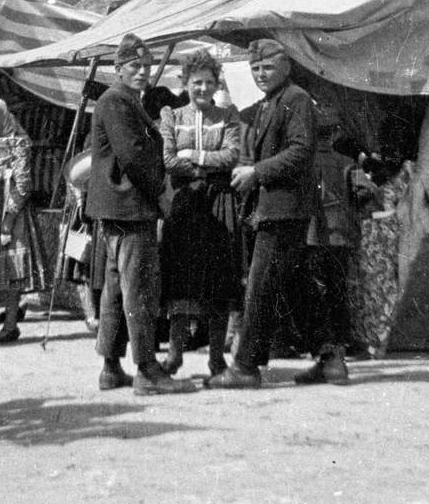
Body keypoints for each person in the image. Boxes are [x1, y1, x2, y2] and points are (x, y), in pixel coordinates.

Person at [211, 38, 319, 389]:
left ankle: (245, 366)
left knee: (259, 285)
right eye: (255, 68)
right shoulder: (268, 103)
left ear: (285, 67)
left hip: (284, 208)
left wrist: (256, 172)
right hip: (272, 207)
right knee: (295, 284)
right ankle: (330, 357)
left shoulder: (295, 99)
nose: (260, 74)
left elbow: (301, 150)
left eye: (267, 67)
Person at [87, 33, 191, 396]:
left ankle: (111, 366)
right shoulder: (116, 101)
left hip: (121, 206)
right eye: (134, 66)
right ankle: (147, 369)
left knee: (116, 289)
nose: (143, 72)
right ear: (117, 68)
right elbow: (133, 157)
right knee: (140, 289)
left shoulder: (125, 101)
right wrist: (162, 191)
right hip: (129, 207)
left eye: (146, 66)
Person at [158, 50, 243, 377]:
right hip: (183, 206)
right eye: (197, 83)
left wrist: (191, 155)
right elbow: (167, 159)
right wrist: (206, 163)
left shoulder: (228, 115)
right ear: (185, 83)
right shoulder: (172, 116)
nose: (203, 88)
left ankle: (216, 359)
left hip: (218, 204)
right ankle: (175, 355)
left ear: (216, 83)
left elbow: (232, 155)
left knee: (219, 284)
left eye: (209, 82)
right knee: (182, 283)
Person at [296, 102, 379, 379]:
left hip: (310, 237)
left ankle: (326, 356)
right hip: (341, 238)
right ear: (334, 135)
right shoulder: (347, 163)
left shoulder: (302, 162)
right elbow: (367, 193)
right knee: (338, 294)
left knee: (316, 296)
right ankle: (341, 353)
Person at [0, 97, 33, 343]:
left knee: (12, 270)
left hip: (12, 211)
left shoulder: (17, 142)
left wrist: (9, 218)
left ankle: (10, 325)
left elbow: (23, 184)